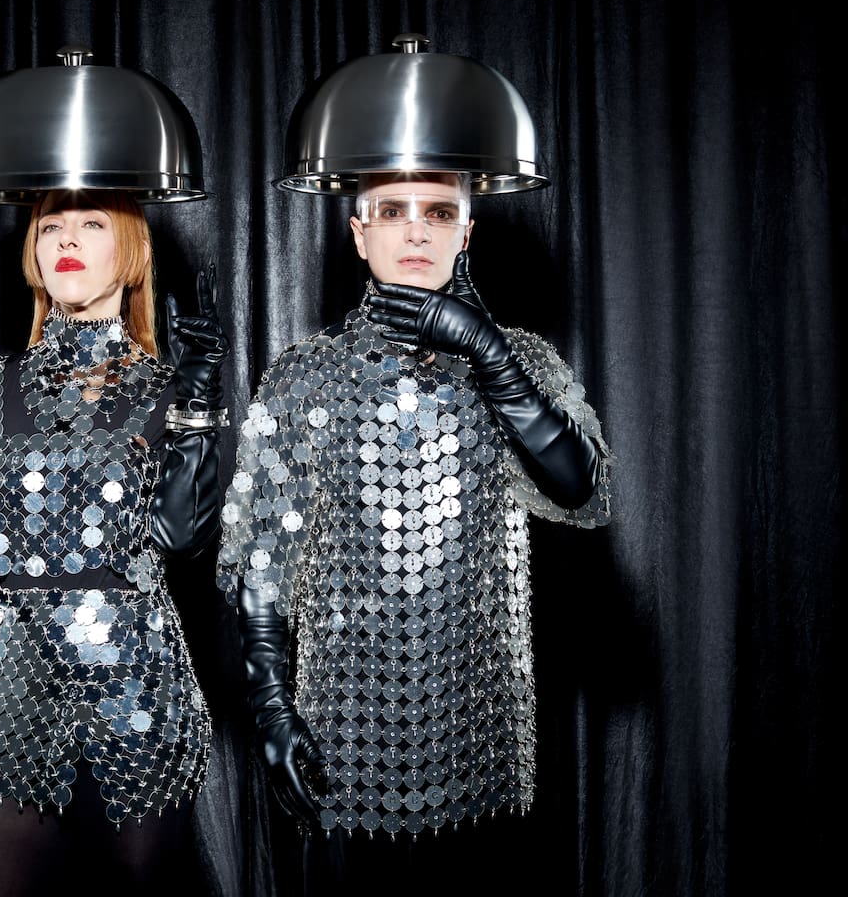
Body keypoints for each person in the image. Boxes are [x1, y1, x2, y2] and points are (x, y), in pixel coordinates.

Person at [216, 170, 611, 886]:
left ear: (466, 233)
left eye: (438, 212)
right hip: (346, 729)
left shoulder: (520, 357)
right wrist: (271, 706)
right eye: (393, 210)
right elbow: (261, 561)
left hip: (480, 728)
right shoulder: (305, 373)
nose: (417, 230)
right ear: (359, 234)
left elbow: (581, 487)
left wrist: (491, 357)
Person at [0, 188, 229, 895]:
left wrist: (196, 404)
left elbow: (182, 536)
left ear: (130, 253)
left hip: (138, 689)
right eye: (50, 226)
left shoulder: (170, 390)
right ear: (32, 253)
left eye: (92, 223)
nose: (66, 239)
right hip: (11, 682)